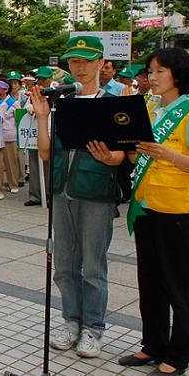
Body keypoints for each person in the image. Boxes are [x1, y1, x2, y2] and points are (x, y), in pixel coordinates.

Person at [118, 47, 189, 376]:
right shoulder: (151, 109)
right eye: (150, 72)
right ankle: (153, 344)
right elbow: (135, 158)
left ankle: (179, 354)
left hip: (176, 211)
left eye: (158, 72)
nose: (150, 78)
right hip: (147, 206)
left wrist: (168, 154)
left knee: (178, 285)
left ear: (176, 74)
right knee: (150, 281)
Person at [31, 35, 124, 359]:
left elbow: (121, 155)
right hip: (62, 191)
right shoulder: (61, 104)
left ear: (101, 63)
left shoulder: (112, 104)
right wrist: (42, 116)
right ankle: (71, 321)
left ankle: (93, 329)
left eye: (86, 61)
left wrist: (109, 158)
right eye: (74, 62)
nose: (80, 67)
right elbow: (45, 152)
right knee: (64, 266)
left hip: (96, 194)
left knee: (93, 268)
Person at [24, 67, 53, 207]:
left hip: (50, 134)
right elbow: (26, 107)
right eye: (39, 78)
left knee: (49, 165)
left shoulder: (58, 94)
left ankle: (49, 195)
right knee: (34, 163)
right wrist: (32, 109)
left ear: (51, 79)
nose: (41, 81)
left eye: (44, 79)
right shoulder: (33, 93)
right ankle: (35, 195)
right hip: (33, 135)